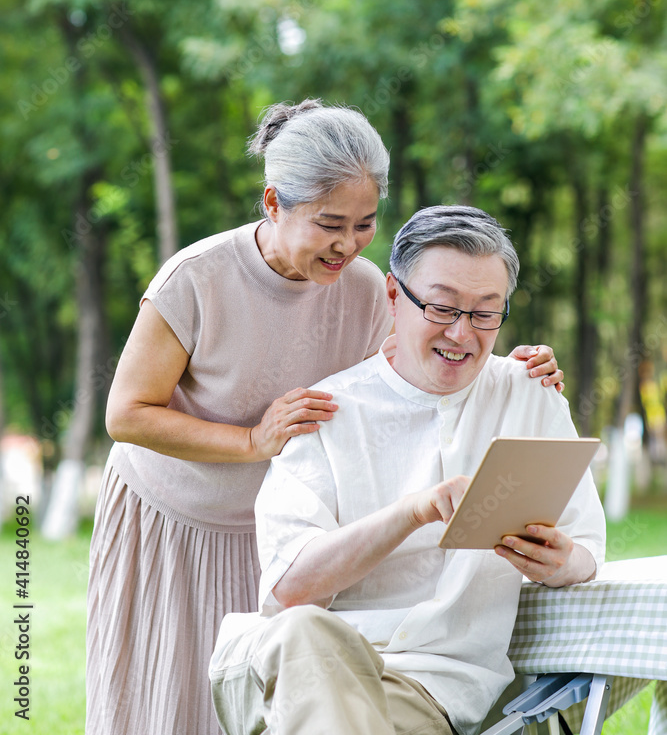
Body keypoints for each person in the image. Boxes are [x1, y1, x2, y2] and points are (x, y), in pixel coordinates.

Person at [86, 101, 563, 735]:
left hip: (285, 534)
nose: (348, 243)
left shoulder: (366, 287)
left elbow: (420, 360)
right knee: (166, 707)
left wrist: (518, 364)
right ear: (273, 203)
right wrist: (255, 439)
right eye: (329, 223)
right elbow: (126, 413)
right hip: (176, 521)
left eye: (365, 223)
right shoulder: (196, 279)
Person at [209, 205, 605, 735]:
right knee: (303, 629)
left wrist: (557, 563)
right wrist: (413, 512)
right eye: (442, 308)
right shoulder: (327, 412)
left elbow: (587, 553)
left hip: (431, 690)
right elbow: (288, 590)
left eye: (486, 313)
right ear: (394, 296)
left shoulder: (529, 395)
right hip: (310, 663)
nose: (462, 334)